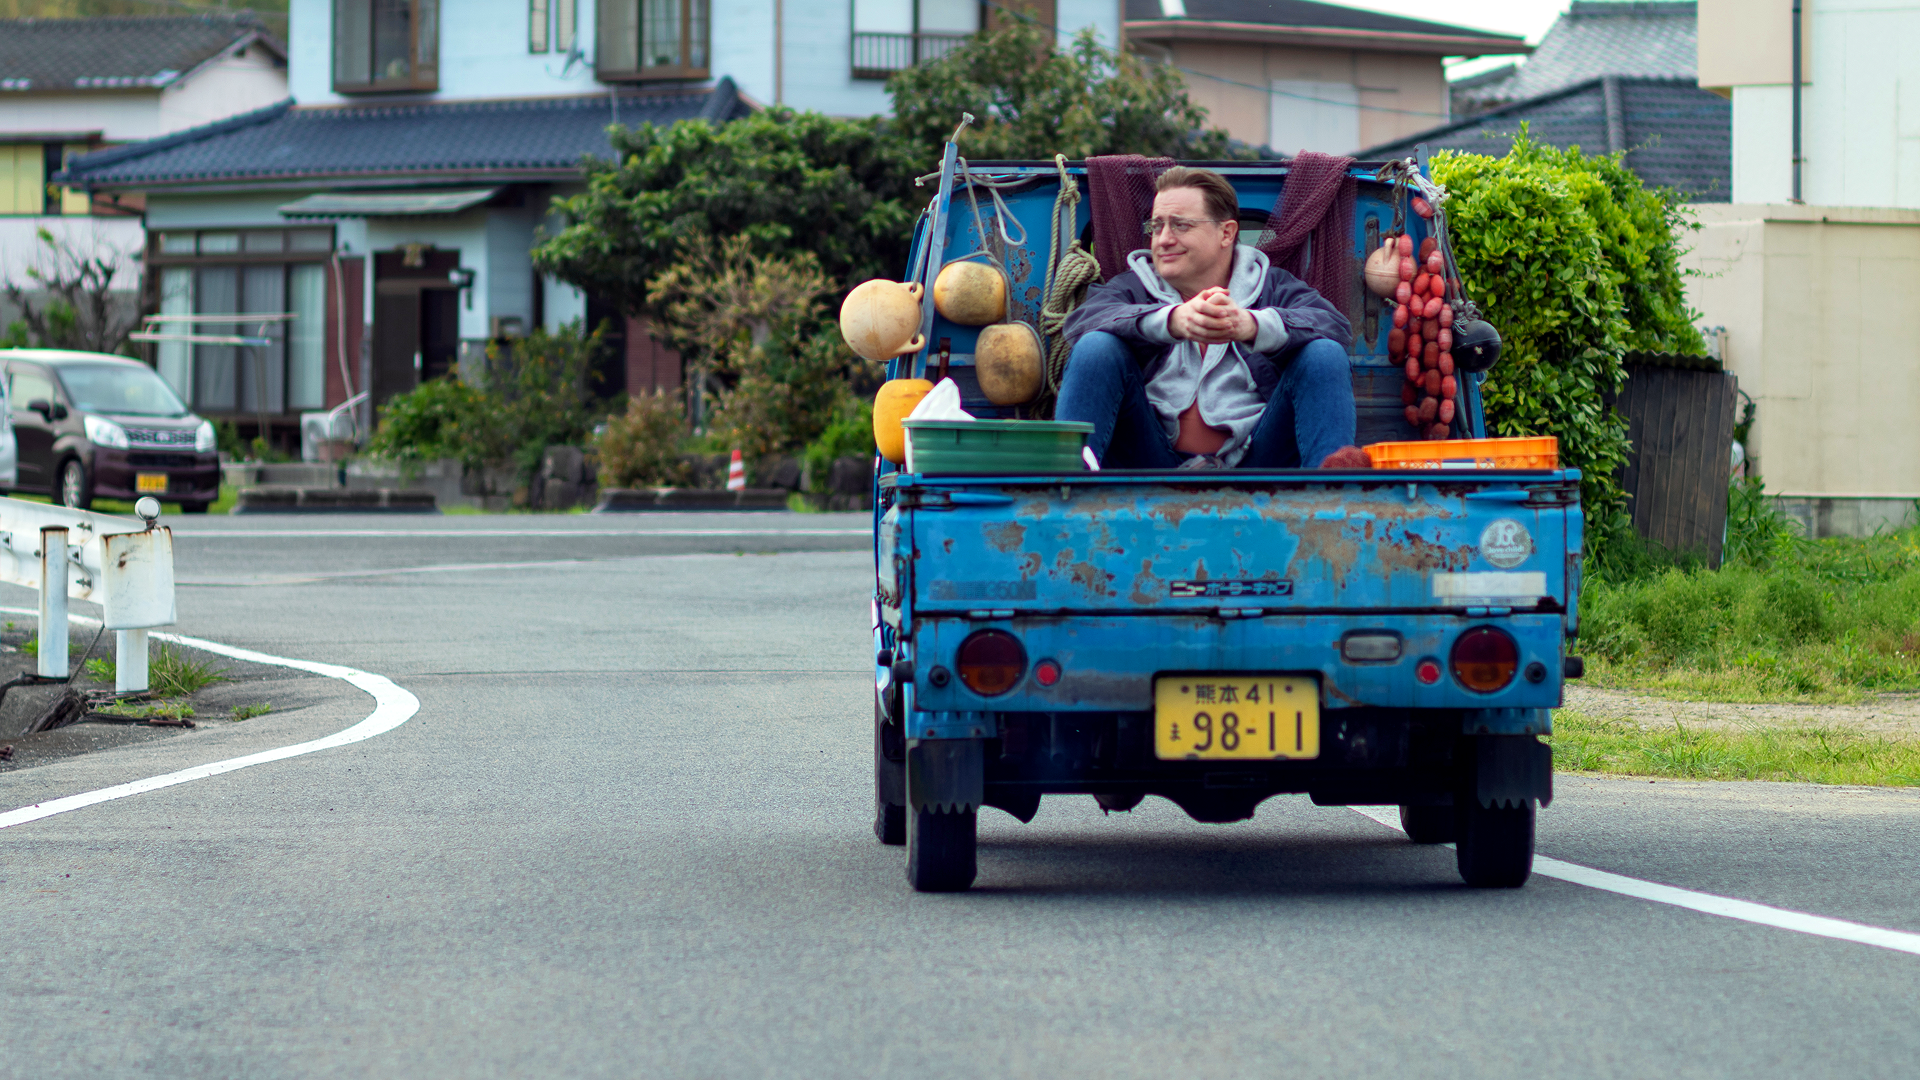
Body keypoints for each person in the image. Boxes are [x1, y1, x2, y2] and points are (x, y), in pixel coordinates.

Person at [1058, 166, 1368, 469]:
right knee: (1095, 346)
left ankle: (1333, 495)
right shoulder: (1132, 286)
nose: (1163, 239)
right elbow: (1081, 323)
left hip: (1258, 464)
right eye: (1156, 226)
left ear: (1226, 232)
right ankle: (1065, 490)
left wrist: (1251, 325)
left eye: (1180, 225)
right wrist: (1172, 321)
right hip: (1149, 460)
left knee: (1324, 353)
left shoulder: (1273, 286)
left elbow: (1335, 328)